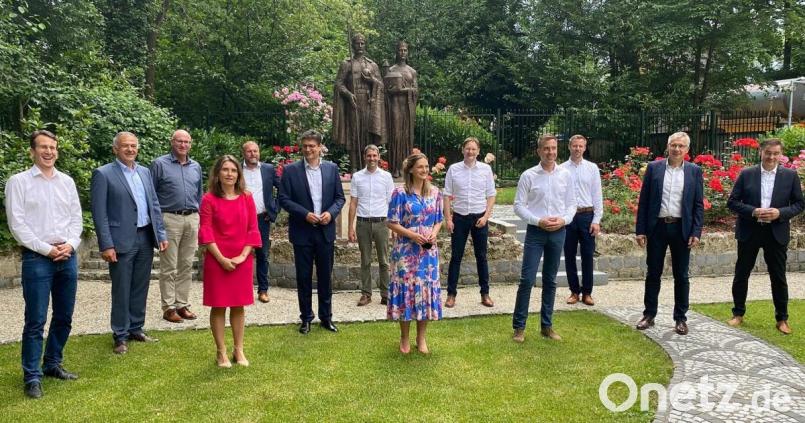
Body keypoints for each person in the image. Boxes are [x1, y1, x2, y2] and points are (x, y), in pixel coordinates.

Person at [5, 130, 83, 399]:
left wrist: (71, 244)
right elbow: (17, 225)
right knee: (36, 320)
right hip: (37, 258)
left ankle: (52, 363)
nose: (49, 152)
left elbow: (76, 219)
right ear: (32, 151)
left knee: (64, 316)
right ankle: (32, 376)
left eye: (52, 147)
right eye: (43, 147)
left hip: (67, 256)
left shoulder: (67, 182)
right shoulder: (18, 182)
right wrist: (47, 250)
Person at [91, 131, 168, 354]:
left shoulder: (144, 172)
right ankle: (120, 335)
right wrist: (106, 244)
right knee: (122, 288)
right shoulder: (103, 174)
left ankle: (136, 328)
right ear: (115, 148)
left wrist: (160, 234)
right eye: (125, 145)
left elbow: (154, 204)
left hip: (145, 236)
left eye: (134, 145)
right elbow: (99, 213)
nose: (130, 149)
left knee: (140, 286)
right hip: (120, 240)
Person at [726, 138, 804, 334]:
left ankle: (782, 319)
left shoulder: (790, 176)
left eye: (776, 153)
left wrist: (780, 213)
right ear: (761, 152)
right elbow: (732, 202)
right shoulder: (747, 174)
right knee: (742, 274)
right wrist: (753, 211)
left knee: (778, 277)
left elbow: (799, 204)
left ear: (781, 154)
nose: (771, 157)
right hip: (750, 230)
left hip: (776, 232)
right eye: (768, 153)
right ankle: (738, 314)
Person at [635, 132, 704, 335]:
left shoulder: (694, 171)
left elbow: (698, 204)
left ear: (687, 150)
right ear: (668, 146)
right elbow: (644, 200)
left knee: (681, 275)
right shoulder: (654, 168)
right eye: (673, 145)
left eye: (681, 146)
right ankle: (649, 315)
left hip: (682, 228)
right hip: (657, 227)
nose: (676, 149)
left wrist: (696, 231)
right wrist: (640, 230)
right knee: (653, 273)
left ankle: (680, 318)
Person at [278, 130, 346, 334]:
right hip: (302, 231)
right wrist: (304, 214)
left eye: (312, 146)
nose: (308, 149)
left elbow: (340, 198)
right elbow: (284, 199)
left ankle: (326, 317)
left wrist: (331, 213)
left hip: (325, 231)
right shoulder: (290, 170)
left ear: (320, 147)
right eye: (305, 146)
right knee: (303, 277)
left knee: (325, 277)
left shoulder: (331, 169)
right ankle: (306, 318)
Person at [198, 155, 262, 367]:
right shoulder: (209, 199)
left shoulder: (246, 197)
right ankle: (221, 352)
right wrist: (221, 259)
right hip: (217, 259)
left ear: (238, 174)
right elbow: (206, 231)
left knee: (238, 305)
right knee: (218, 306)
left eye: (233, 170)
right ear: (217, 174)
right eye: (225, 169)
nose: (229, 174)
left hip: (241, 259)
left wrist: (242, 256)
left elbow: (253, 229)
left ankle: (238, 349)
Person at [512, 134, 576, 343]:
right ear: (539, 151)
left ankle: (546, 326)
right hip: (536, 232)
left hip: (558, 232)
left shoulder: (565, 175)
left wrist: (564, 220)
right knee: (527, 279)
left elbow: (571, 205)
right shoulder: (528, 175)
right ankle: (519, 327)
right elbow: (518, 206)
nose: (551, 152)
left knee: (550, 280)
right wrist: (537, 220)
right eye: (546, 148)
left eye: (553, 148)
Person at [387, 153, 443, 354]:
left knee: (425, 292)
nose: (424, 170)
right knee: (406, 293)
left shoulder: (435, 192)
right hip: (405, 252)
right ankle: (404, 337)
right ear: (410, 169)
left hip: (427, 253)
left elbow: (439, 219)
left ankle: (421, 337)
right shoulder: (400, 193)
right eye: (420, 167)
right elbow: (391, 222)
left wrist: (434, 234)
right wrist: (412, 235)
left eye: (427, 166)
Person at [150, 129, 203, 323]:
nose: (183, 145)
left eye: (186, 142)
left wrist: (199, 217)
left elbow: (199, 194)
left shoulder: (196, 166)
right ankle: (169, 307)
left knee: (186, 265)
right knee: (169, 266)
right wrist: (157, 224)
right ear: (172, 142)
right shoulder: (159, 164)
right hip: (169, 218)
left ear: (191, 144)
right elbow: (151, 196)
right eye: (179, 141)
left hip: (192, 218)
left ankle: (182, 304)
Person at [443, 137, 496, 308]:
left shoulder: (486, 170)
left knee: (481, 257)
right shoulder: (454, 169)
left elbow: (491, 195)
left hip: (479, 217)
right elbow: (446, 195)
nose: (470, 152)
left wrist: (486, 217)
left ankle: (485, 294)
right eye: (468, 148)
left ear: (478, 151)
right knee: (456, 257)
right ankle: (451, 294)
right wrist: (448, 219)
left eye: (473, 149)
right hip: (460, 217)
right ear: (463, 150)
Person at [348, 144, 395, 306]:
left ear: (379, 157)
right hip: (363, 223)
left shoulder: (386, 177)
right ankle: (366, 294)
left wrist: (394, 226)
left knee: (384, 261)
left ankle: (386, 294)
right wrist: (350, 227)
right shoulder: (357, 177)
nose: (372, 158)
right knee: (365, 260)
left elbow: (391, 202)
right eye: (369, 155)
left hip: (382, 223)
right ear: (364, 157)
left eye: (374, 155)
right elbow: (353, 203)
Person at [560, 135, 603, 306]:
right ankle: (574, 291)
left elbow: (597, 195)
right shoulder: (561, 169)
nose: (577, 149)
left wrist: (596, 220)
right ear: (569, 147)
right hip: (569, 217)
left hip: (587, 216)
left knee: (587, 255)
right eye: (575, 146)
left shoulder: (592, 168)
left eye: (580, 146)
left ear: (585, 148)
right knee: (569, 255)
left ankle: (587, 292)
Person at [333, 33, 385, 171]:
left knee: (368, 135)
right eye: (357, 43)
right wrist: (348, 94)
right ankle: (354, 167)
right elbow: (338, 84)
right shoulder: (346, 64)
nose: (360, 46)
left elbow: (381, 85)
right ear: (353, 45)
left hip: (369, 103)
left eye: (362, 43)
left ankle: (368, 167)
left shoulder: (372, 65)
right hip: (353, 103)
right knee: (354, 134)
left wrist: (372, 80)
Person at [241, 141, 279, 303]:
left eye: (255, 151)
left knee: (262, 254)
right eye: (249, 151)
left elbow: (283, 188)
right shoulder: (237, 169)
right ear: (243, 153)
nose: (253, 154)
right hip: (240, 219)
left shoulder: (268, 169)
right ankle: (242, 289)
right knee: (240, 253)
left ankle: (263, 290)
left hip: (262, 218)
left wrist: (274, 210)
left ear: (259, 152)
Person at [384, 40, 418, 177]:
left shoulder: (412, 71)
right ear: (396, 52)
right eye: (400, 50)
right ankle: (395, 167)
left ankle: (406, 167)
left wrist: (405, 90)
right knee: (396, 136)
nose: (402, 52)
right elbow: (385, 90)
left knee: (406, 136)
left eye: (405, 50)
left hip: (407, 108)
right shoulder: (391, 70)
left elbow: (416, 91)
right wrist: (395, 91)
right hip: (395, 106)